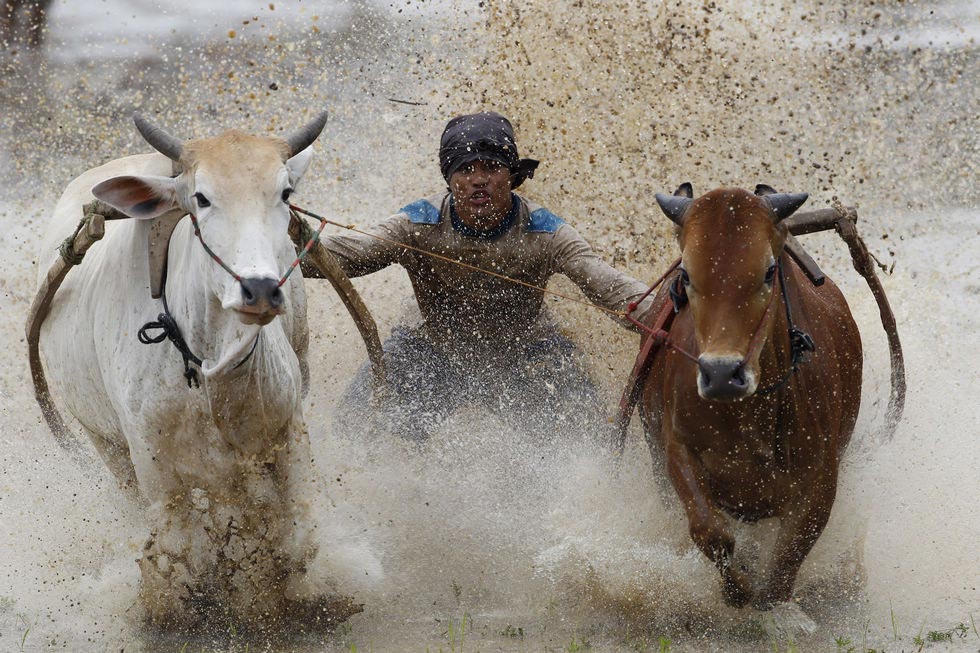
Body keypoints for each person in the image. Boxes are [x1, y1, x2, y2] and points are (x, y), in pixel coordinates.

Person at [324, 111, 653, 442]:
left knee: (591, 439)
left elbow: (611, 288)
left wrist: (673, 311)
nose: (478, 180)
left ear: (510, 176)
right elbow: (353, 254)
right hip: (433, 349)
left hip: (526, 355)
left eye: (491, 167)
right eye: (466, 170)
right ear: (450, 180)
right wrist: (283, 244)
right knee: (353, 425)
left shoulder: (547, 232)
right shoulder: (417, 224)